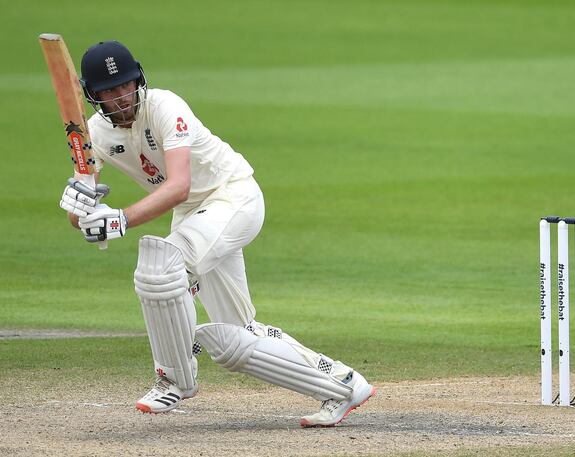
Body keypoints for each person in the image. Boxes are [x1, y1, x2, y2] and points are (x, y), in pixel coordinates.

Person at [58, 40, 376, 427]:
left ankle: (174, 377)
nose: (121, 97)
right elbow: (83, 213)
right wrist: (84, 210)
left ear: (138, 80)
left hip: (233, 197)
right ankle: (342, 385)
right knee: (235, 340)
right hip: (195, 215)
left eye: (125, 85)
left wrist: (120, 219)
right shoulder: (93, 134)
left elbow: (178, 186)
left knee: (161, 266)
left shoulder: (165, 106)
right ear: (93, 95)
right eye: (109, 91)